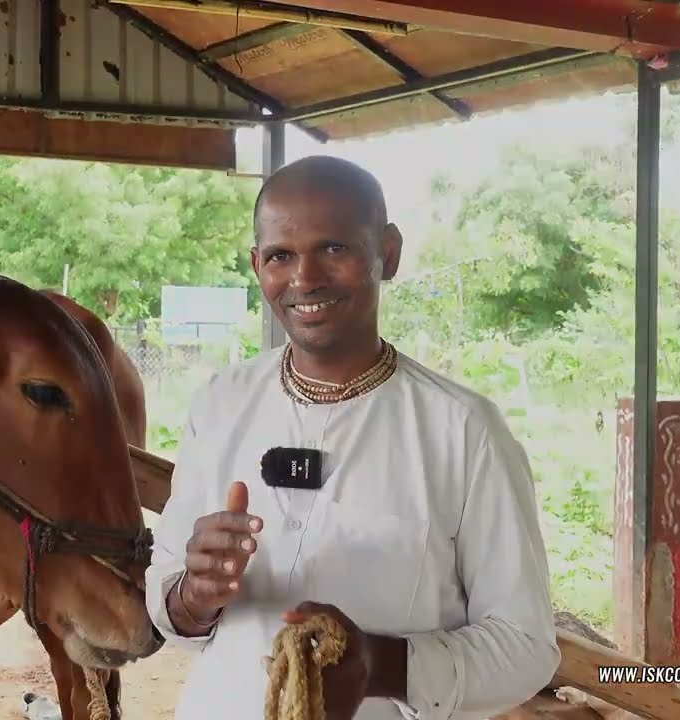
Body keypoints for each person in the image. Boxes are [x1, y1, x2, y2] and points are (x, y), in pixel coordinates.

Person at [144, 155, 560, 720]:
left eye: (334, 249)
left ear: (387, 253)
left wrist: (380, 665)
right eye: (280, 256)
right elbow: (169, 601)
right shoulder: (222, 404)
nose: (304, 279)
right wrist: (194, 596)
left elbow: (525, 647)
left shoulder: (464, 431)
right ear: (256, 264)